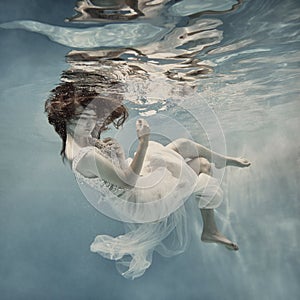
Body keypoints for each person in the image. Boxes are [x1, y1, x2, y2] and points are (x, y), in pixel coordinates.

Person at [45, 82, 250, 279]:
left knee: (183, 145)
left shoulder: (79, 142)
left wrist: (117, 153)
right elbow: (127, 182)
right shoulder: (85, 155)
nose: (89, 125)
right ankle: (211, 229)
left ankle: (223, 165)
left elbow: (116, 175)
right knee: (202, 165)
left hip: (131, 190)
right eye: (82, 118)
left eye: (92, 118)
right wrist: (143, 142)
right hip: (141, 201)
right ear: (65, 118)